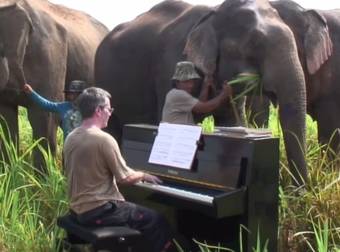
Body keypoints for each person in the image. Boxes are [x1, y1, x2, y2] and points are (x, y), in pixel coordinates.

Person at [63, 87, 175, 252]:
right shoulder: (104, 139)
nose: (110, 113)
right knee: (156, 220)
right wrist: (143, 174)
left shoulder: (71, 137)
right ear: (98, 110)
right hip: (99, 210)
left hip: (78, 209)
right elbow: (125, 178)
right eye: (109, 109)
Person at [162, 61, 232, 124]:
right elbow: (203, 108)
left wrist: (205, 87)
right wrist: (223, 94)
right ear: (177, 82)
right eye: (186, 82)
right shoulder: (177, 94)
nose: (190, 85)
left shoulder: (178, 95)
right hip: (175, 136)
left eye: (191, 81)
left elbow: (199, 104)